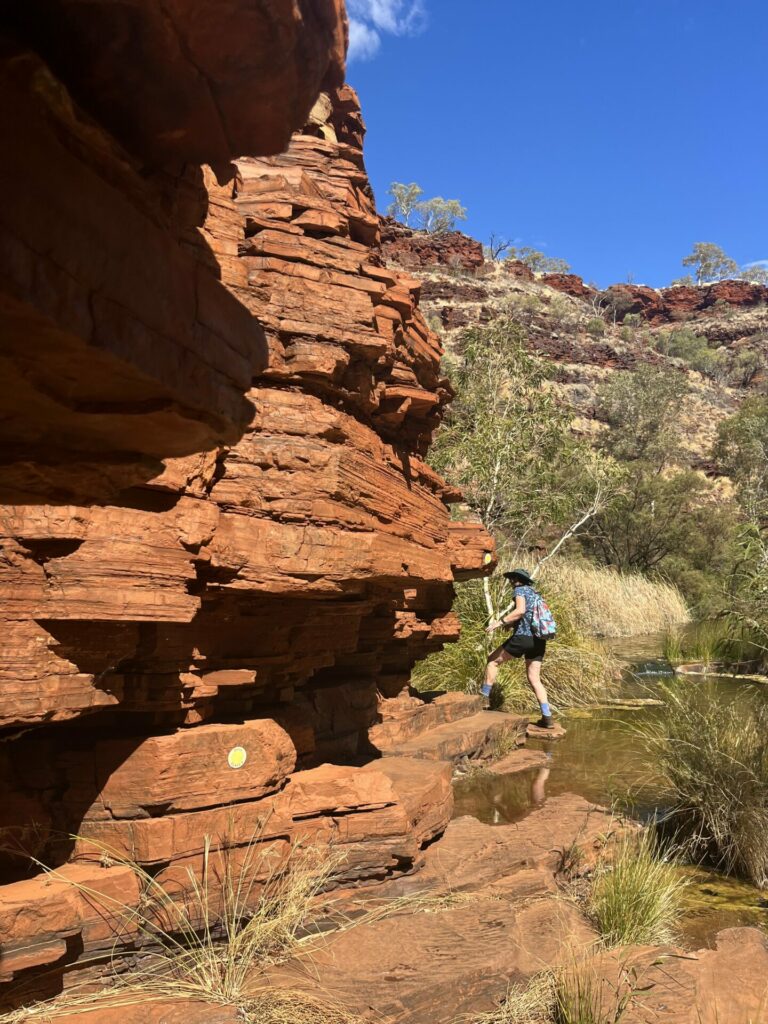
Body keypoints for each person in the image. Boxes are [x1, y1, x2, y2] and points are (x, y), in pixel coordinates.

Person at [481, 568, 555, 729]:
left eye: (511, 579)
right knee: (535, 679)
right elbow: (529, 615)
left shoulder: (520, 590)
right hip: (539, 640)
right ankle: (547, 717)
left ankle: (483, 701)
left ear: (516, 579)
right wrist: (512, 624)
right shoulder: (535, 593)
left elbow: (520, 611)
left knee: (492, 661)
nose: (510, 582)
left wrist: (500, 622)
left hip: (523, 637)